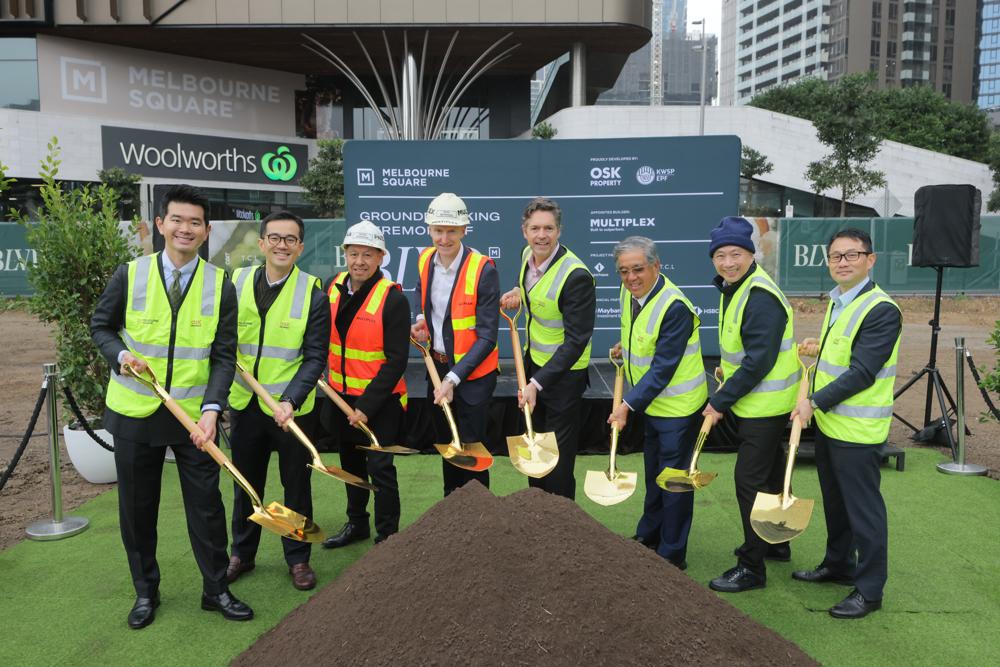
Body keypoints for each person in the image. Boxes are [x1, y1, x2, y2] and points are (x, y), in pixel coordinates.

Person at [91, 184, 252, 628]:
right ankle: (146, 593)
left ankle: (216, 589)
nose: (185, 228)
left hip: (194, 419)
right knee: (137, 509)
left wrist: (213, 409)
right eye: (176, 220)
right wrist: (121, 357)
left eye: (194, 222)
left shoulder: (220, 284)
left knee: (207, 506)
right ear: (160, 224)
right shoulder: (130, 273)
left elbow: (224, 355)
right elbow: (101, 327)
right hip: (135, 414)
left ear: (207, 231)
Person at [791, 228, 900, 619]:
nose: (842, 262)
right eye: (836, 256)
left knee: (864, 512)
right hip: (832, 427)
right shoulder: (838, 303)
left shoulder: (881, 309)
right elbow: (843, 355)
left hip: (858, 432)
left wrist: (813, 402)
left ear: (870, 260)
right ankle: (838, 565)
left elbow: (863, 372)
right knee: (837, 506)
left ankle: (869, 591)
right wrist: (816, 350)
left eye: (851, 255)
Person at [224, 212, 330, 592]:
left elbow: (316, 357)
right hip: (245, 405)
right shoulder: (234, 283)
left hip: (291, 411)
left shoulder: (314, 293)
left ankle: (298, 558)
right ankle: (242, 553)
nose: (282, 245)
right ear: (262, 242)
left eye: (290, 239)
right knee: (245, 485)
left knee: (295, 486)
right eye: (275, 237)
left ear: (300, 247)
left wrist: (290, 400)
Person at [703, 216, 800, 594]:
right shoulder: (735, 288)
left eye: (737, 254)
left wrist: (719, 401)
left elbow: (758, 361)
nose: (729, 262)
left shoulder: (760, 296)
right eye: (721, 255)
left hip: (764, 406)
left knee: (749, 481)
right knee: (772, 477)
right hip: (757, 404)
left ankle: (751, 566)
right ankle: (775, 542)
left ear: (751, 254)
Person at [608, 237, 708, 570]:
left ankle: (672, 554)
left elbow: (664, 367)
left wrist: (626, 405)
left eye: (638, 269)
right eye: (624, 271)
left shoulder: (674, 306)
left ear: (656, 266)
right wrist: (624, 346)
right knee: (654, 474)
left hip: (678, 409)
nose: (631, 277)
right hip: (652, 406)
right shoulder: (629, 293)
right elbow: (639, 333)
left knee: (675, 480)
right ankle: (649, 535)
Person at [321, 221, 410, 548]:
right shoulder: (331, 286)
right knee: (351, 465)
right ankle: (356, 523)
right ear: (345, 254)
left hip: (380, 403)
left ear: (380, 257)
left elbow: (397, 360)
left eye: (368, 254)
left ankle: (388, 537)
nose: (359, 261)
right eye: (354, 253)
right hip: (340, 396)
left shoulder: (393, 300)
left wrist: (366, 407)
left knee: (381, 468)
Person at [499, 197, 595, 500]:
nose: (542, 235)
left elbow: (576, 341)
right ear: (524, 231)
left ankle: (563, 524)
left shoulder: (576, 276)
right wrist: (518, 291)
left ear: (559, 231)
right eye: (535, 228)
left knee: (558, 457)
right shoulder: (528, 254)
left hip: (564, 376)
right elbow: (533, 290)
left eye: (549, 228)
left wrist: (537, 384)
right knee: (535, 443)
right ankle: (535, 512)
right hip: (535, 364)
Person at [410, 193, 500, 496]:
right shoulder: (424, 259)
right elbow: (427, 302)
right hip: (436, 365)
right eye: (438, 230)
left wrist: (452, 377)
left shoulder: (483, 269)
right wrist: (424, 322)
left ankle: (479, 515)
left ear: (464, 230)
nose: (444, 238)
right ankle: (452, 511)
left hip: (473, 376)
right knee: (448, 445)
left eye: (451, 231)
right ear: (429, 229)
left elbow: (487, 337)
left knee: (472, 451)